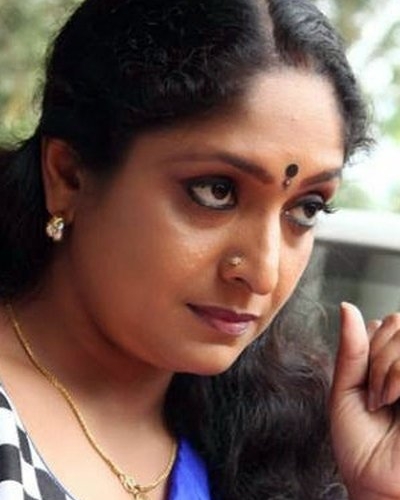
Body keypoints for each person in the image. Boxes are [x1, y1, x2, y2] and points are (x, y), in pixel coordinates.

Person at [0, 0, 400, 499]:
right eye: (216, 191)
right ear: (69, 176)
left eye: (306, 208)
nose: (264, 272)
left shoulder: (273, 442)